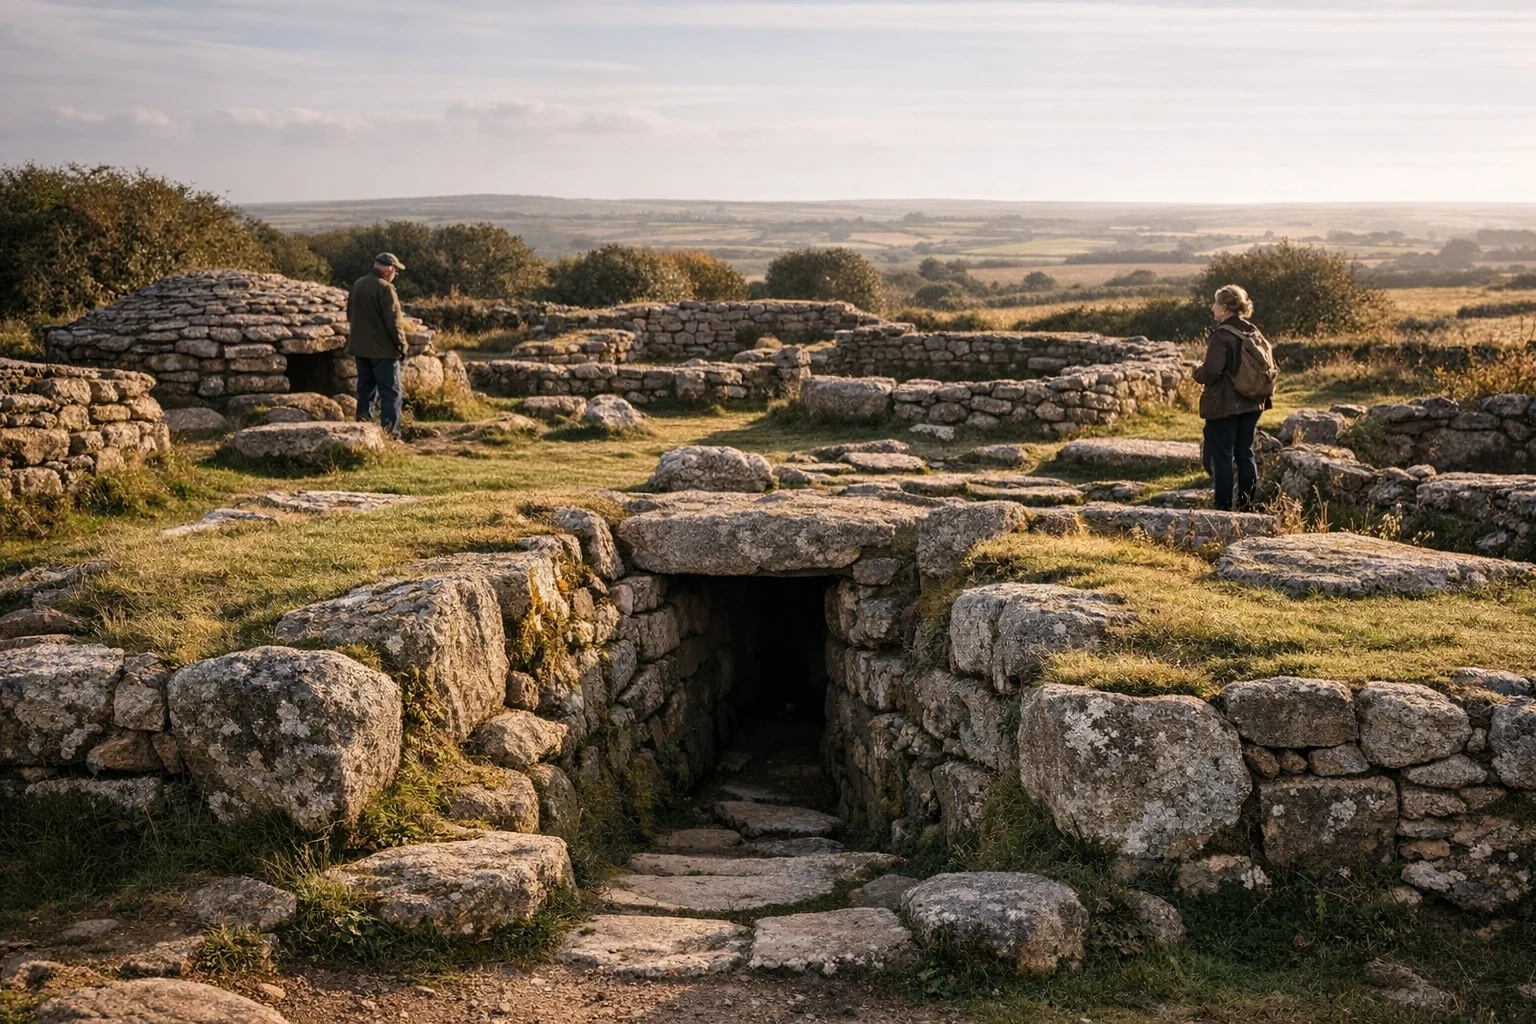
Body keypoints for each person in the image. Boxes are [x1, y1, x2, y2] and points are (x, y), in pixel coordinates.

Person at [1192, 284, 1274, 511]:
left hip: (1225, 405)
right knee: (1245, 453)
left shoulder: (1222, 334)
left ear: (1225, 308)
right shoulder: (1252, 330)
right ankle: (1247, 506)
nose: (1212, 307)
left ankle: (1223, 508)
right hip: (1252, 402)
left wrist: (1196, 371)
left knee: (1222, 457)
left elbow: (1211, 372)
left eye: (1215, 303)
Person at [346, 252, 409, 439]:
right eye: (395, 270)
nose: (395, 274)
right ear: (389, 268)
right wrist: (402, 346)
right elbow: (394, 323)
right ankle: (391, 435)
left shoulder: (358, 284)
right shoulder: (385, 288)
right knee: (391, 393)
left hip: (360, 349)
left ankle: (362, 432)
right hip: (383, 351)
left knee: (365, 391)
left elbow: (350, 315)